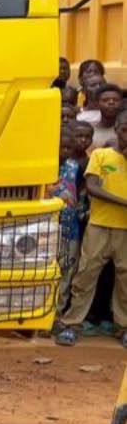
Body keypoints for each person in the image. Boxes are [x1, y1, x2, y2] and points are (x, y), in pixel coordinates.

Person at [55, 110, 127, 347]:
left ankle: (123, 327)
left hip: (125, 230)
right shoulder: (102, 155)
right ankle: (72, 324)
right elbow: (93, 187)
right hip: (98, 225)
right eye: (125, 130)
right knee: (85, 275)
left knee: (124, 280)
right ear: (117, 130)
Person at [50, 122, 85, 316]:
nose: (64, 151)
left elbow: (78, 191)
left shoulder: (74, 166)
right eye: (61, 147)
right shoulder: (44, 167)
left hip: (69, 229)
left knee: (66, 271)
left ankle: (56, 313)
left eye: (68, 148)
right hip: (47, 228)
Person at [78, 82, 123, 149]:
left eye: (116, 100)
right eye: (105, 100)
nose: (111, 102)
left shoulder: (124, 131)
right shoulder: (89, 131)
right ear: (97, 104)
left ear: (121, 103)